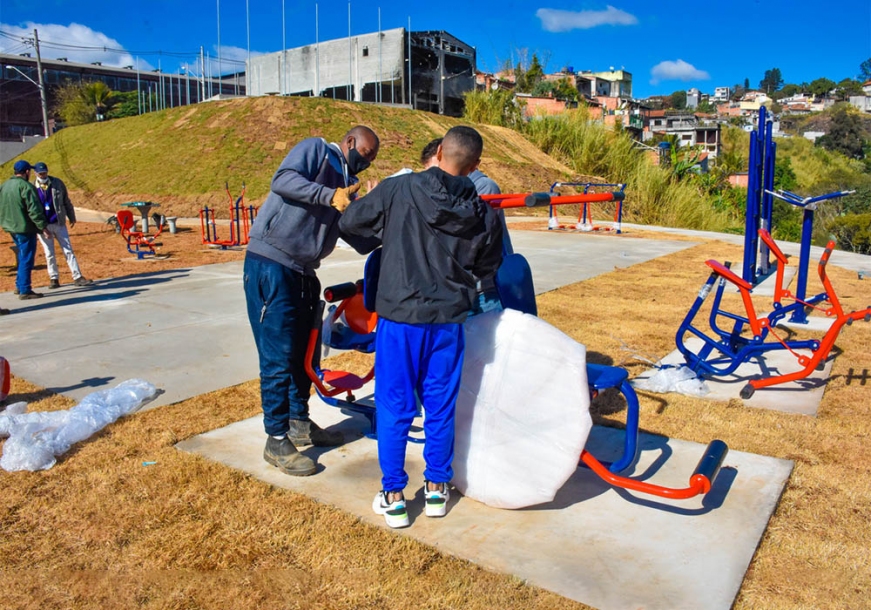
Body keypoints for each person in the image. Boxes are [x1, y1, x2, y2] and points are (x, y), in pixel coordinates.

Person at [339, 126, 504, 528]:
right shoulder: (483, 210)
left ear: (440, 151)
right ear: (475, 165)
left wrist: (384, 234)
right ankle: (436, 489)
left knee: (395, 408)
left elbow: (349, 222)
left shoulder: (401, 189)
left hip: (401, 320)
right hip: (448, 322)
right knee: (440, 407)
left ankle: (394, 495)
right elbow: (487, 266)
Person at [244, 125, 380, 477]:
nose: (365, 163)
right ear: (350, 142)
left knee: (304, 353)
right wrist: (328, 195)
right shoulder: (316, 150)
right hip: (272, 262)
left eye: (371, 161)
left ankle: (299, 422)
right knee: (277, 357)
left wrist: (376, 216)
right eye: (364, 154)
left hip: (305, 270)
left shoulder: (346, 188)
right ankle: (276, 439)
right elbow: (283, 180)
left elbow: (358, 238)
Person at [32, 162, 93, 289]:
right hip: (44, 225)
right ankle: (53, 278)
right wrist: (38, 226)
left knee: (68, 249)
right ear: (35, 173)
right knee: (49, 253)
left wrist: (71, 216)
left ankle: (77, 276)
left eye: (45, 172)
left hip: (58, 222)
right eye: (40, 173)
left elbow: (66, 201)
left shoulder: (57, 183)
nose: (43, 175)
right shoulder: (32, 187)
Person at [0, 160, 46, 300]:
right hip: (25, 227)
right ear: (27, 172)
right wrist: (42, 226)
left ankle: (19, 285)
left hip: (11, 226)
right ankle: (25, 289)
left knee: (21, 256)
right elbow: (34, 210)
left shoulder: (5, 185)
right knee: (26, 258)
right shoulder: (26, 187)